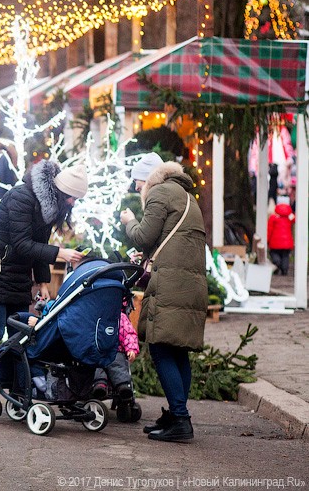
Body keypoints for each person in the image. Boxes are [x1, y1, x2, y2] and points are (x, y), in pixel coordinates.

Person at [0, 161, 87, 418]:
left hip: (15, 273)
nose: (71, 203)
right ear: (60, 190)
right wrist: (61, 254)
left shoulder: (49, 204)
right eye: (70, 197)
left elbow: (38, 244)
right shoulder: (22, 197)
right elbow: (23, 243)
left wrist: (43, 281)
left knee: (18, 336)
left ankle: (14, 392)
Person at [121, 153, 206, 443]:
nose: (135, 189)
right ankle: (175, 413)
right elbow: (170, 240)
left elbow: (144, 236)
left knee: (159, 346)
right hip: (189, 282)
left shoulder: (159, 193)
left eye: (136, 182)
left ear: (149, 178)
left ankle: (181, 419)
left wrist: (130, 222)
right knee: (176, 349)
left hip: (171, 284)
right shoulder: (185, 195)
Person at [267, 197, 295, 276]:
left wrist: (267, 240)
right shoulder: (290, 217)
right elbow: (295, 219)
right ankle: (284, 270)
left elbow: (269, 230)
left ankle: (277, 263)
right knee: (285, 256)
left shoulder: (273, 217)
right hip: (287, 243)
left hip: (275, 243)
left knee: (274, 253)